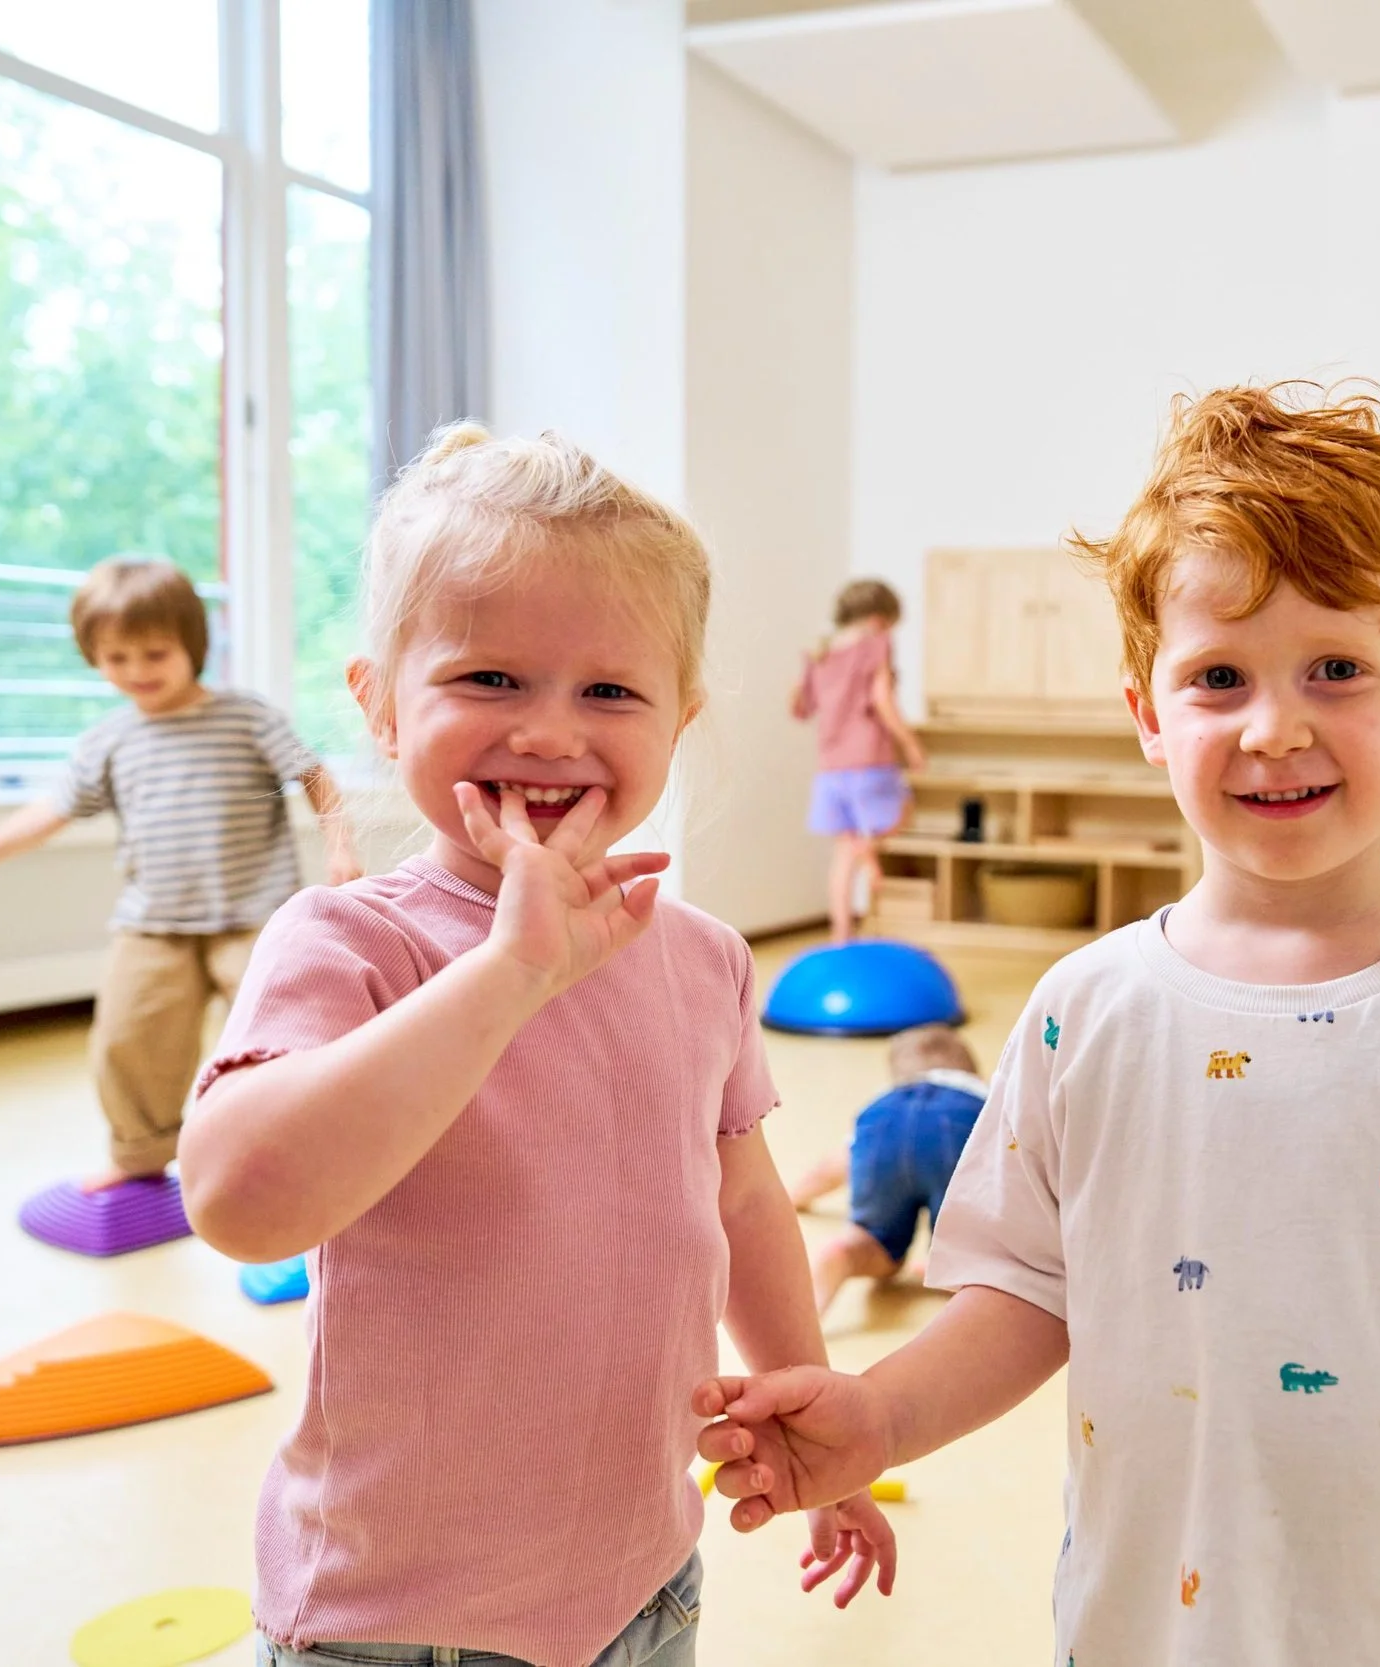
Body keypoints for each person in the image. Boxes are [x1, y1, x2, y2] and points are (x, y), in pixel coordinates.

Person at [694, 385, 1380, 1667]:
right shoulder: (1082, 1014)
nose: (1274, 726)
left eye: (1336, 668)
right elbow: (1024, 1293)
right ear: (1147, 712)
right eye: (1218, 677)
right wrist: (878, 1417)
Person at [177, 426, 893, 1667]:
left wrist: (816, 1417)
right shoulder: (353, 941)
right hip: (399, 1620)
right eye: (491, 678)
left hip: (642, 1586)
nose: (552, 733)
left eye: (609, 692)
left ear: (680, 718)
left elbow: (739, 1200)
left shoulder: (705, 957)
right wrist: (510, 972)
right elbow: (240, 1201)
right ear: (381, 705)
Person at [0, 556, 359, 1190]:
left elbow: (315, 775)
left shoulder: (245, 716)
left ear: (192, 645)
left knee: (283, 1033)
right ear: (93, 657)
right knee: (127, 1038)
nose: (137, 671)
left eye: (155, 654)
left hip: (255, 916)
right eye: (116, 658)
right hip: (155, 923)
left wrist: (341, 848)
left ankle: (298, 1150)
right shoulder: (108, 741)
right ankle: (141, 1156)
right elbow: (49, 813)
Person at [789, 1023, 989, 1315]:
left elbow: (832, 1167)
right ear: (974, 1074)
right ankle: (954, 1268)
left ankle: (848, 1252)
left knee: (875, 1239)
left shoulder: (885, 1103)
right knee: (970, 1238)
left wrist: (795, 1197)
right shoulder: (979, 1096)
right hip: (958, 1135)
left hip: (884, 1140)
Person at [793, 579, 928, 943]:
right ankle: (867, 850)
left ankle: (841, 934)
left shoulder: (820, 652)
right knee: (904, 811)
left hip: (830, 767)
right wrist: (911, 744)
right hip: (869, 760)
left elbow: (802, 708)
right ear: (878, 619)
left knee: (842, 854)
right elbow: (883, 699)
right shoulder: (875, 644)